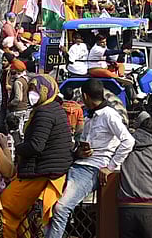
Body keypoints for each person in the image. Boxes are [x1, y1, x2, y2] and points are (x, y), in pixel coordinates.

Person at [45, 79, 134, 238]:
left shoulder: (109, 115)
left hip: (91, 169)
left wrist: (111, 167)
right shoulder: (90, 117)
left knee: (61, 208)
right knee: (48, 204)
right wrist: (79, 152)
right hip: (78, 164)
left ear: (85, 96)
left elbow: (128, 141)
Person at [0, 76, 74, 238]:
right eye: (31, 90)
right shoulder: (54, 109)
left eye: (37, 90)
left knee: (5, 208)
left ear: (47, 91)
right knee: (18, 215)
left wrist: (18, 148)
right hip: (49, 168)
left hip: (39, 171)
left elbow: (35, 146)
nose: (33, 94)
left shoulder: (44, 113)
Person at [6, 59, 29, 136]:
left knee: (15, 131)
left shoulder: (18, 82)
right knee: (21, 130)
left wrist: (10, 104)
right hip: (24, 109)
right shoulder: (25, 79)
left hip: (17, 110)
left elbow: (18, 98)